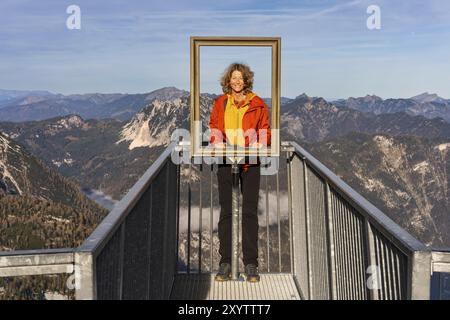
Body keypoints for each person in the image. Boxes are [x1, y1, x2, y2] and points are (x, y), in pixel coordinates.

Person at [209, 62, 271, 282]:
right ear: (228, 80)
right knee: (226, 212)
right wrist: (217, 142)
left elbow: (265, 129)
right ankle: (225, 262)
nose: (237, 82)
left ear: (246, 80)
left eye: (240, 78)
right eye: (233, 78)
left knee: (249, 212)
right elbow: (214, 127)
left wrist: (260, 144)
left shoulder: (258, 104)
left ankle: (251, 264)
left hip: (250, 162)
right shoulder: (221, 103)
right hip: (226, 161)